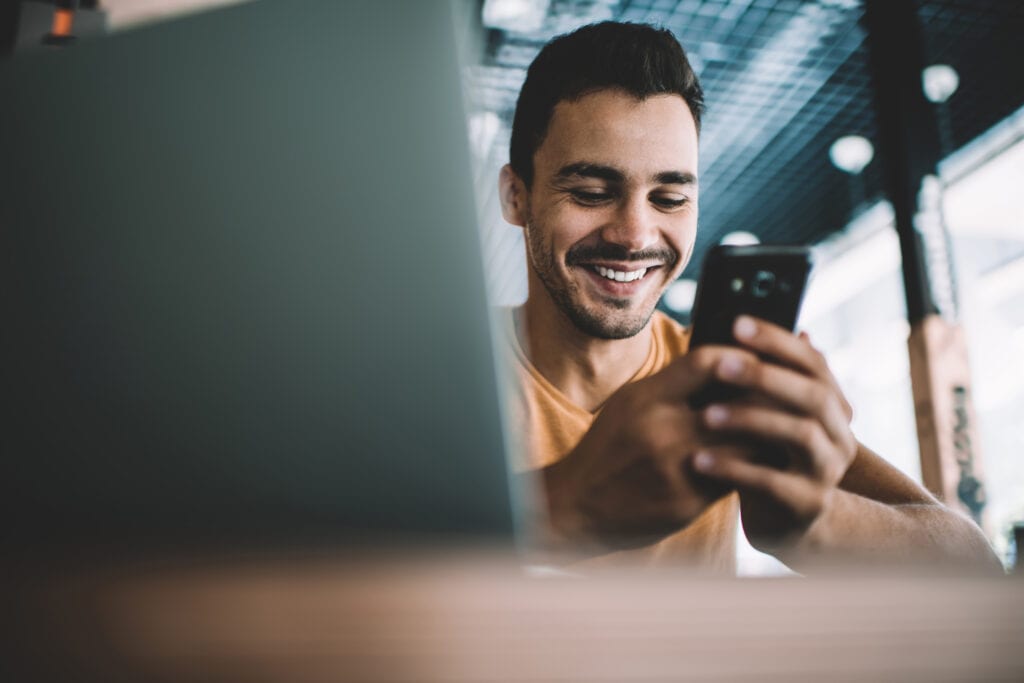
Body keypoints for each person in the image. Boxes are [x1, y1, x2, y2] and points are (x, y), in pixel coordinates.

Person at [496, 21, 1000, 573]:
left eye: (670, 198)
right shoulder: (442, 376)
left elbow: (974, 568)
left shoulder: (721, 376)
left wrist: (813, 522)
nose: (636, 235)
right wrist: (569, 509)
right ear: (516, 196)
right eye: (592, 193)